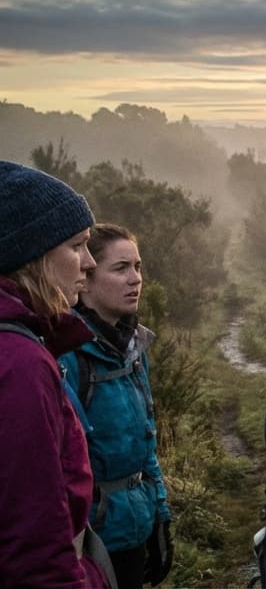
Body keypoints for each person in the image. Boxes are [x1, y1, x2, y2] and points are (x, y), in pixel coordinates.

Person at [0, 161, 112, 588]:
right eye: (77, 245)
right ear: (31, 254)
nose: (88, 263)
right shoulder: (19, 365)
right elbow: (35, 545)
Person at [58, 224, 173, 589]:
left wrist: (160, 515)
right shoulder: (67, 356)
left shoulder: (134, 349)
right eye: (121, 268)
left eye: (138, 267)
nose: (136, 279)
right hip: (91, 537)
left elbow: (147, 443)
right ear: (87, 280)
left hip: (136, 524)